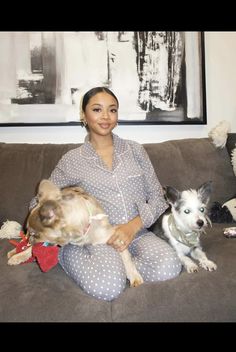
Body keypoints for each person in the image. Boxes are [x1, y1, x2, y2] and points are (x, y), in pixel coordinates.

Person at [30, 87, 182, 301]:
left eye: (112, 110)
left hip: (136, 234)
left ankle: (118, 270)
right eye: (97, 109)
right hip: (95, 240)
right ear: (84, 115)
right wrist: (66, 225)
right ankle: (68, 254)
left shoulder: (135, 150)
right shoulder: (72, 160)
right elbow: (36, 204)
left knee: (169, 267)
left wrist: (131, 227)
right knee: (108, 288)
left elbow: (158, 198)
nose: (105, 116)